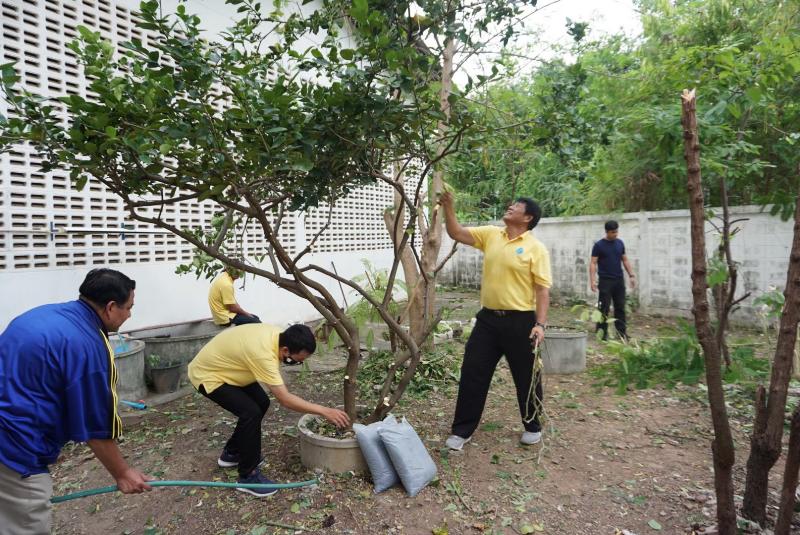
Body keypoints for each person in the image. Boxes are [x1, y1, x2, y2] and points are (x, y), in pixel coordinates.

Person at [0, 269, 152, 533]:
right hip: (13, 448)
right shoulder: (88, 346)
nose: (130, 315)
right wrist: (123, 473)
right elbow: (95, 424)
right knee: (26, 522)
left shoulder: (46, 314)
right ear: (110, 307)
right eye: (129, 308)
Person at [439, 192, 552, 451]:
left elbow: (542, 290)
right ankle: (462, 430)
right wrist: (449, 207)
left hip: (522, 322)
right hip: (488, 320)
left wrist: (540, 324)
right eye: (511, 204)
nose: (510, 207)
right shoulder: (492, 234)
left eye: (517, 206)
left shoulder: (536, 249)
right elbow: (457, 233)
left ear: (528, 218)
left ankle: (533, 425)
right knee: (473, 372)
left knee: (527, 377)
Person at [188, 323, 350, 497]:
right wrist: (325, 411)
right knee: (250, 412)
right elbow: (285, 399)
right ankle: (247, 477)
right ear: (286, 350)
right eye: (299, 359)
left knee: (262, 402)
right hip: (209, 374)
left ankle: (232, 453)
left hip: (232, 368)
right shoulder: (263, 355)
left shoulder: (277, 336)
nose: (300, 363)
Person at [589, 220, 636, 341]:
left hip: (619, 280)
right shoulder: (599, 245)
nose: (615, 234)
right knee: (603, 307)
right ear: (607, 232)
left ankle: (621, 333)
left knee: (620, 307)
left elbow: (625, 260)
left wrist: (631, 275)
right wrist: (592, 280)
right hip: (605, 281)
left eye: (616, 231)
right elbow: (593, 263)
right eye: (613, 232)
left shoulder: (620, 243)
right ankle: (601, 333)